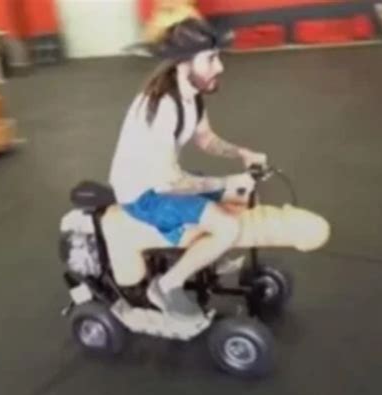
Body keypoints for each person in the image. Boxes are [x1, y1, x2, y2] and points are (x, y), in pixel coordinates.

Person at [109, 18, 267, 322]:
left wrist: (242, 153)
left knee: (243, 195)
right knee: (228, 226)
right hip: (144, 196)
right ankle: (166, 286)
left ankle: (205, 255)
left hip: (164, 181)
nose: (220, 66)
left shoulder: (191, 93)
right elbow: (170, 181)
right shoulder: (161, 109)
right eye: (211, 59)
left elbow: (205, 138)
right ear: (184, 63)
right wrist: (226, 181)